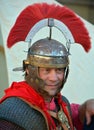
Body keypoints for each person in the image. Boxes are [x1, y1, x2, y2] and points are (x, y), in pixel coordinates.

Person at [0, 2, 94, 130]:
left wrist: (85, 107)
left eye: (59, 70)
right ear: (28, 69)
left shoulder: (60, 103)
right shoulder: (12, 111)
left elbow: (71, 117)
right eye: (46, 70)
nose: (53, 78)